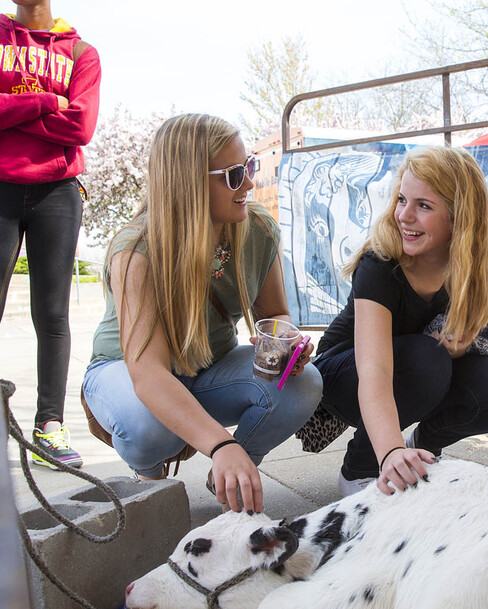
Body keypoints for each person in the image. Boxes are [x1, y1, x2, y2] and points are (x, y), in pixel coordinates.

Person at [81, 113, 322, 514]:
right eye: (232, 175)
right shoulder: (137, 251)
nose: (248, 183)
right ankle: (150, 478)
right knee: (148, 425)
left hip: (210, 368)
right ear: (188, 183)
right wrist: (220, 443)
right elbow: (149, 374)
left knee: (303, 384)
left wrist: (284, 344)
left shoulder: (257, 229)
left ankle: (231, 474)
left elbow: (275, 313)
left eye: (249, 167)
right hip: (124, 372)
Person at [313, 146, 488, 497]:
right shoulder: (380, 264)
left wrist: (458, 347)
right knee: (426, 359)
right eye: (402, 200)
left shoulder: (483, 269)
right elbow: (375, 371)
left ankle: (425, 447)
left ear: (458, 216)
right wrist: (389, 451)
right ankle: (363, 468)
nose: (404, 215)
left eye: (423, 205)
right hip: (345, 374)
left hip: (420, 368)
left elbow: (463, 346)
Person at [0, 0, 101, 468]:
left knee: (52, 313)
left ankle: (49, 428)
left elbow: (80, 125)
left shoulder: (81, 52)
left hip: (58, 193)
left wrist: (7, 108)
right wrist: (47, 101)